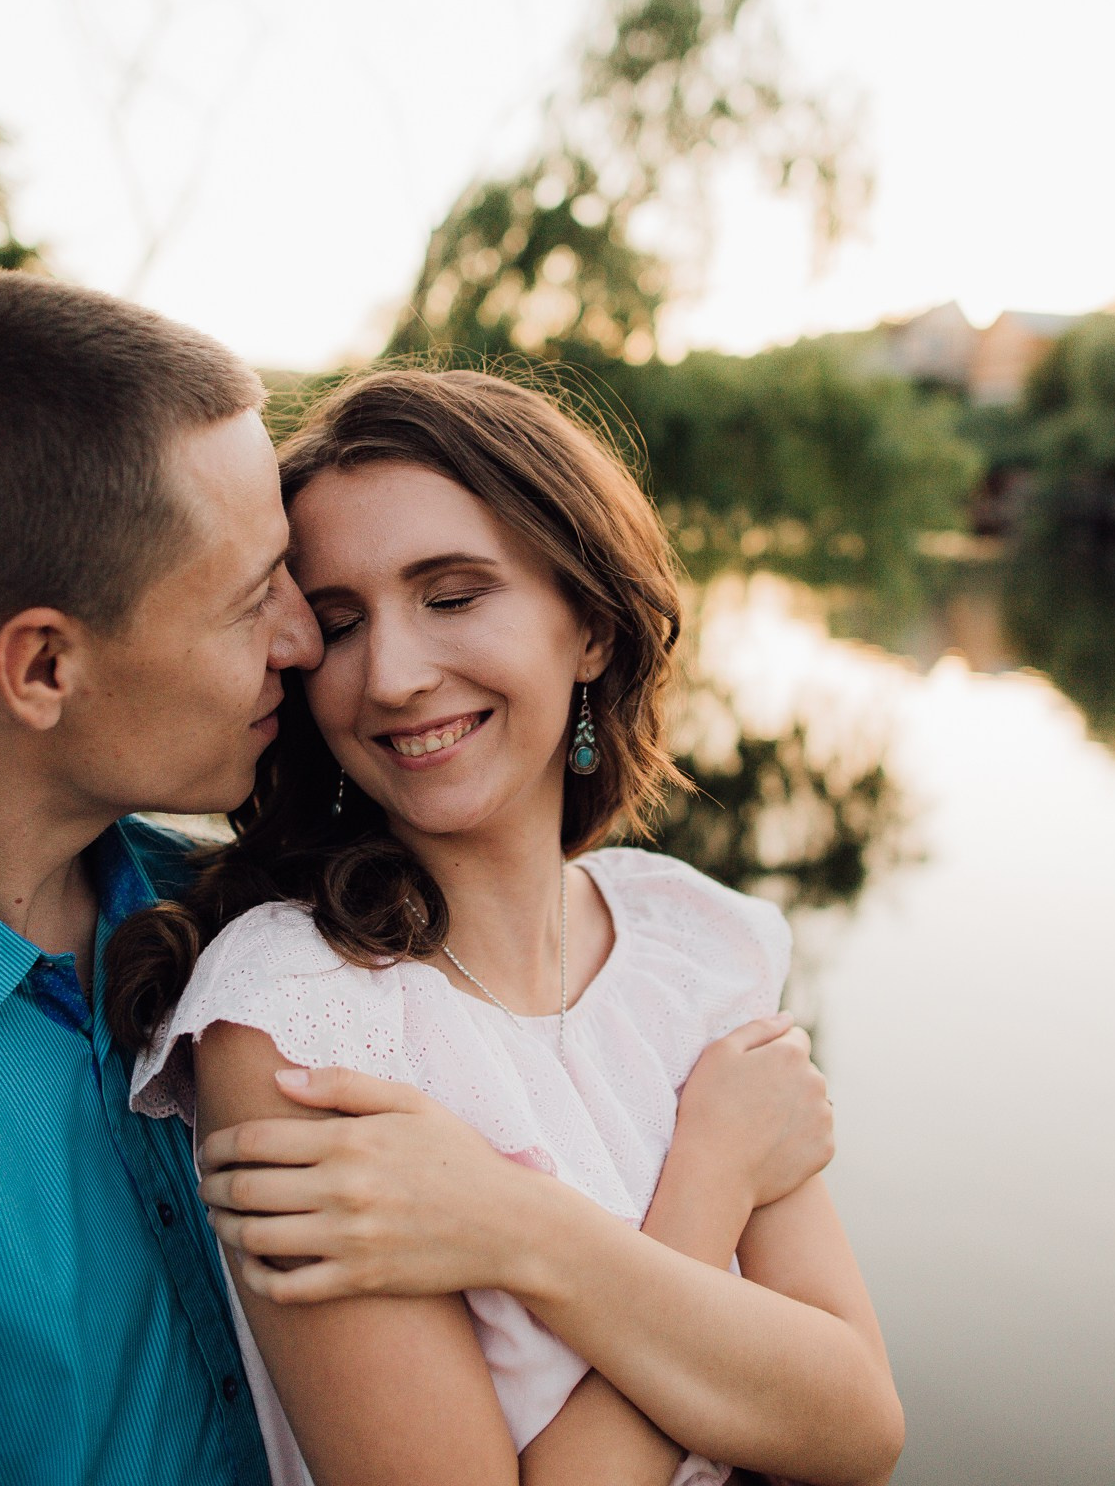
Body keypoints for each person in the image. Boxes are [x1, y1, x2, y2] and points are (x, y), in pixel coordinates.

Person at [0, 270, 881, 1485]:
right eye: (264, 597)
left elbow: (852, 1413)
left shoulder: (235, 913)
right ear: (43, 669)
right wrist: (686, 1202)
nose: (315, 648)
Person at [116, 368, 904, 1484]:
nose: (391, 674)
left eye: (451, 596)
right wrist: (702, 1179)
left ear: (587, 623)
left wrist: (514, 1229)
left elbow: (858, 1421)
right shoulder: (296, 1023)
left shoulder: (690, 943)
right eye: (339, 624)